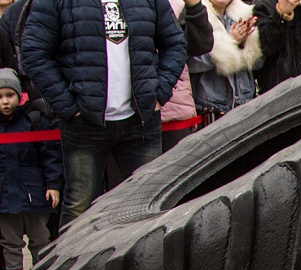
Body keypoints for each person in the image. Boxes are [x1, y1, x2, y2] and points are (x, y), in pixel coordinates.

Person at [21, 0, 187, 228]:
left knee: (151, 204)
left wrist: (158, 93)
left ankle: (144, 263)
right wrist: (69, 105)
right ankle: (70, 263)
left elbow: (175, 45)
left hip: (141, 121)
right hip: (84, 124)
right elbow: (34, 53)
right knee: (78, 208)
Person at [0, 68, 60, 270]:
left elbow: (50, 157)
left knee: (40, 240)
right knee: (10, 242)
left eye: (9, 95)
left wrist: (53, 185)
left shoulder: (34, 122)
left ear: (19, 95)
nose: (5, 102)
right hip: (5, 198)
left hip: (34, 195)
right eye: (0, 96)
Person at [190, 0, 262, 121]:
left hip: (246, 105)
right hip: (210, 110)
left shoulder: (246, 14)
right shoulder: (195, 15)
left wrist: (246, 43)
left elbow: (258, 64)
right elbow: (192, 62)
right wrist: (229, 41)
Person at [161, 0, 216, 151]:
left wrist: (194, 6)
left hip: (174, 110)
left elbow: (201, 45)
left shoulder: (176, 5)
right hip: (123, 114)